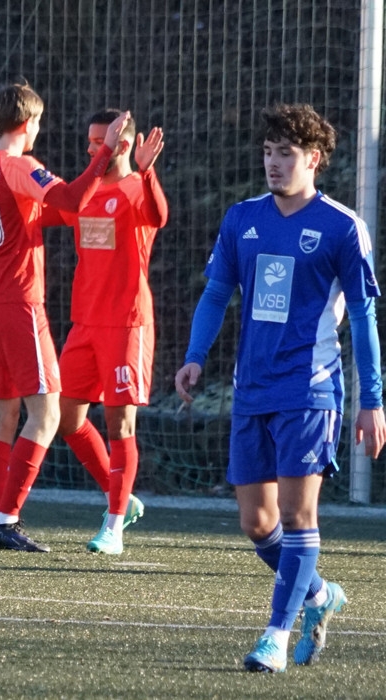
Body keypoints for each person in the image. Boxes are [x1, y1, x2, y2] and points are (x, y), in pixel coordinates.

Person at [175, 103, 385, 673]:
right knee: (257, 523)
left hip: (311, 390)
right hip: (252, 390)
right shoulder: (242, 218)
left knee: (296, 515)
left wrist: (372, 400)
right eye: (268, 152)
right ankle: (320, 594)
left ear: (314, 159)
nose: (273, 163)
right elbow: (217, 292)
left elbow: (362, 317)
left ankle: (275, 636)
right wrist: (194, 356)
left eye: (286, 153)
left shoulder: (342, 226)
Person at [0, 81, 129, 552]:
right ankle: (5, 520)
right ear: (28, 124)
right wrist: (105, 153)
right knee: (46, 414)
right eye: (39, 124)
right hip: (18, 303)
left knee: (2, 417)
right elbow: (70, 200)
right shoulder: (20, 165)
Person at [46, 109, 167, 554]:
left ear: (124, 143)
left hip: (126, 324)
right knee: (65, 418)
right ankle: (121, 497)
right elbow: (46, 210)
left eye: (102, 141)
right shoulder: (85, 190)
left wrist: (147, 172)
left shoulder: (136, 186)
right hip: (85, 323)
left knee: (120, 423)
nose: (92, 148)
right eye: (92, 140)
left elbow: (159, 216)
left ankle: (113, 526)